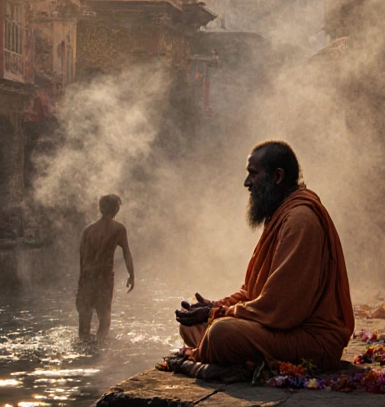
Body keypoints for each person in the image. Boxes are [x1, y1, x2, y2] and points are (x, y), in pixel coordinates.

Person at [169, 141, 353, 379]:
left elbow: (280, 309)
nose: (247, 184)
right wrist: (213, 307)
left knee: (221, 333)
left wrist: (218, 313)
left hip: (309, 339)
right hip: (279, 328)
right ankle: (223, 365)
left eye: (253, 174)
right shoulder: (279, 215)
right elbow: (252, 291)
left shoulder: (300, 220)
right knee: (190, 325)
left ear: (277, 177)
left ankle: (209, 365)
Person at [76, 193, 134, 340]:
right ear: (115, 209)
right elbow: (127, 253)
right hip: (104, 277)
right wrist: (131, 275)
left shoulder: (88, 230)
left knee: (84, 318)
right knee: (104, 317)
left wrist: (80, 282)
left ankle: (84, 353)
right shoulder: (118, 229)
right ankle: (100, 349)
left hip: (87, 277)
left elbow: (82, 259)